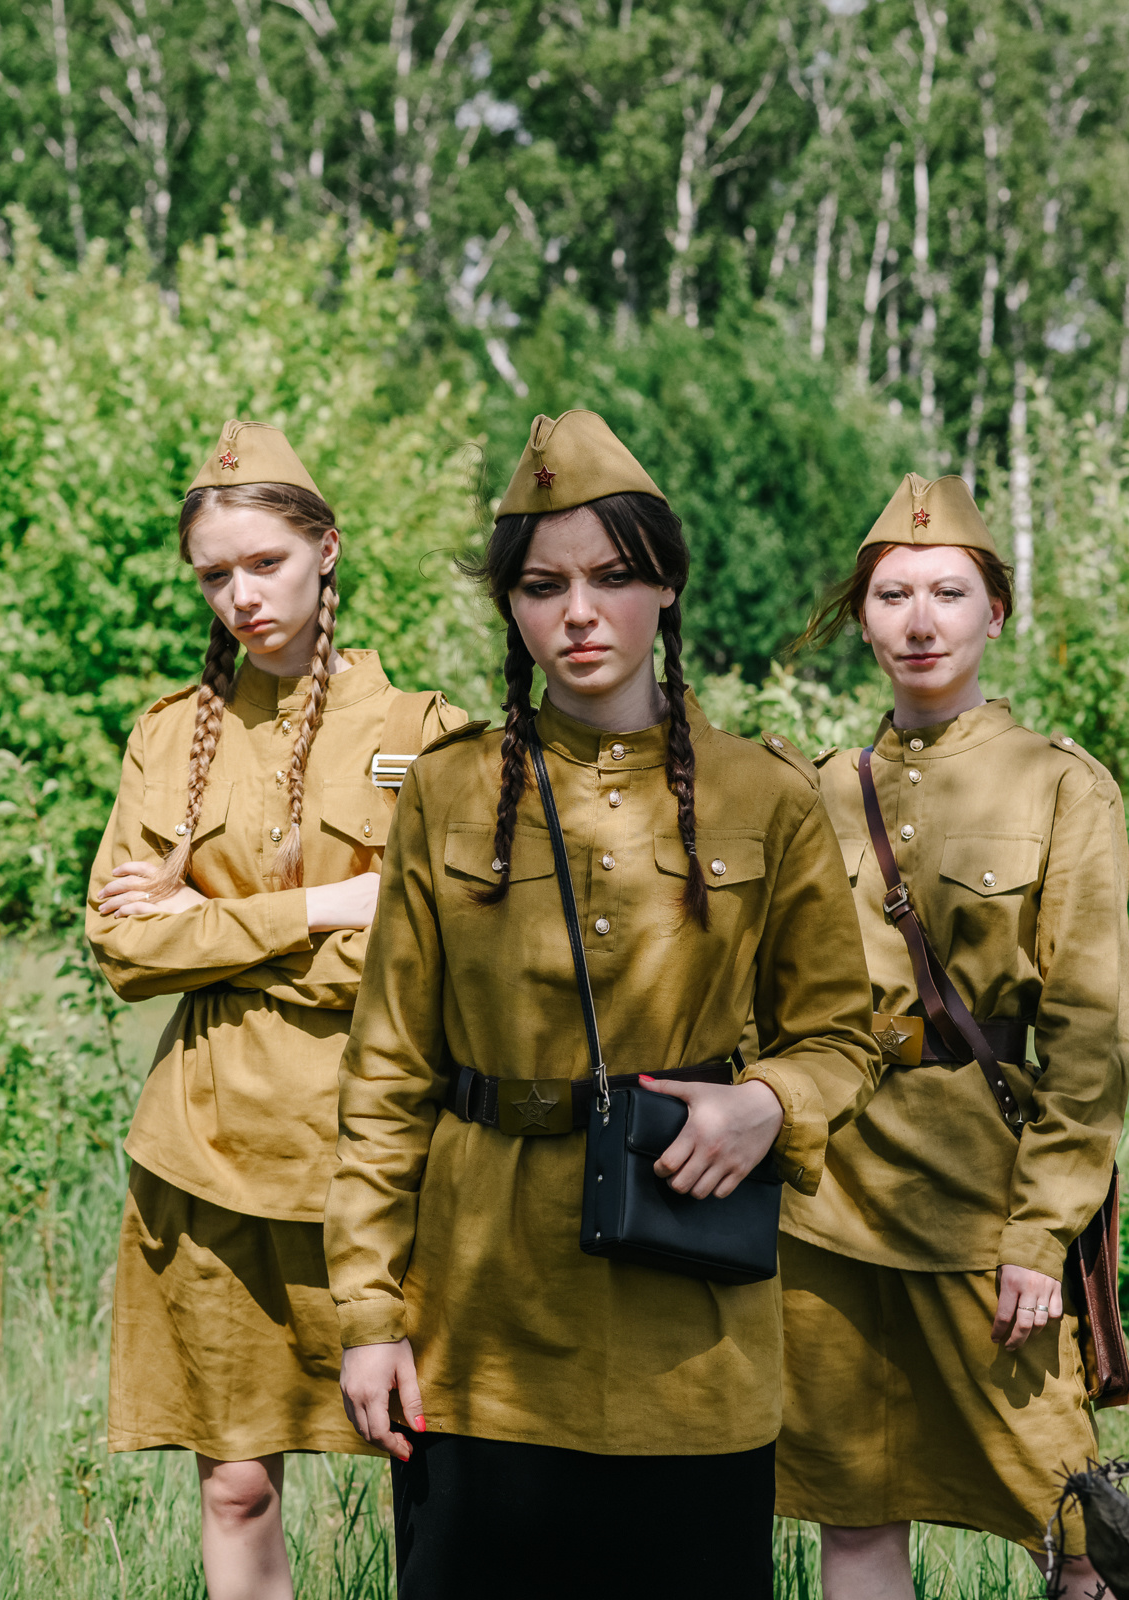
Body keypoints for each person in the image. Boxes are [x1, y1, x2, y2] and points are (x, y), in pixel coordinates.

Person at [327, 409, 881, 1598]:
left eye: (613, 576)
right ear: (513, 608)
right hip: (479, 1330)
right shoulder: (447, 790)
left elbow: (840, 1030)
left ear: (666, 587)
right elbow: (385, 1074)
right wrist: (369, 1313)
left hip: (693, 1339)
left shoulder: (766, 795)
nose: (580, 612)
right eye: (544, 584)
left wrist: (769, 1108)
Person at [87, 420, 465, 1600]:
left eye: (266, 563)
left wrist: (214, 922)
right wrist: (322, 908)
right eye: (215, 573)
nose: (241, 595)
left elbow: (434, 958)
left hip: (386, 1152)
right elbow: (121, 944)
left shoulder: (424, 734)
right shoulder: (170, 736)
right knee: (236, 1482)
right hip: (208, 1154)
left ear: (326, 552)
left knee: (432, 1471)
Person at [776, 474, 1129, 1598]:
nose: (918, 620)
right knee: (855, 1513)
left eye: (947, 592)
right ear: (863, 616)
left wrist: (1041, 1231)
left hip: (984, 1205)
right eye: (891, 595)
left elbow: (1087, 1033)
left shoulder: (1060, 786)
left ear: (996, 612)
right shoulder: (817, 790)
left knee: (1072, 1531)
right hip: (826, 1202)